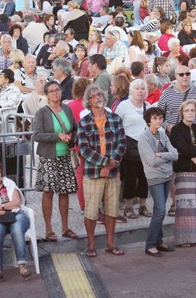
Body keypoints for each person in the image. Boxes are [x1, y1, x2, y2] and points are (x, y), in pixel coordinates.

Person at [77, 84, 127, 258]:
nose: (98, 97)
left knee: (112, 210)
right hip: (93, 173)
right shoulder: (84, 122)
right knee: (91, 211)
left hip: (113, 172)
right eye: (93, 96)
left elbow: (122, 143)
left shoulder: (115, 119)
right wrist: (105, 163)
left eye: (100, 94)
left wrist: (112, 164)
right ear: (88, 101)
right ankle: (91, 245)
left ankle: (110, 243)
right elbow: (84, 149)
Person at [32, 81, 79, 242]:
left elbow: (75, 128)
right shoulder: (42, 113)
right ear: (46, 95)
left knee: (64, 192)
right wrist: (57, 136)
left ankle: (65, 228)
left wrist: (73, 138)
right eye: (51, 91)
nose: (55, 93)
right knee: (48, 192)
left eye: (57, 90)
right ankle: (49, 229)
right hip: (49, 157)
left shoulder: (67, 109)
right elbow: (37, 135)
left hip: (65, 156)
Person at [169, 99, 196, 246]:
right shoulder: (176, 129)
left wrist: (193, 148)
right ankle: (186, 238)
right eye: (187, 110)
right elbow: (182, 148)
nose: (190, 113)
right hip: (183, 171)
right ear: (181, 113)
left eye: (193, 110)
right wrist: (195, 148)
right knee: (186, 206)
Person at [137, 107, 178, 257]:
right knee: (160, 209)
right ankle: (150, 244)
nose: (158, 121)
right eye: (155, 118)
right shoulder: (144, 138)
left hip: (167, 175)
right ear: (148, 120)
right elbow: (152, 161)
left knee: (159, 208)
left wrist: (162, 154)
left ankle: (158, 241)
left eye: (160, 118)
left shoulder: (163, 134)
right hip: (155, 177)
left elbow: (175, 154)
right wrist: (167, 157)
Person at [115, 79, 151, 219]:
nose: (140, 91)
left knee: (144, 178)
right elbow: (116, 125)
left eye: (143, 88)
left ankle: (143, 206)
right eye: (137, 88)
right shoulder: (123, 106)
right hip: (129, 147)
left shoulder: (148, 106)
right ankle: (128, 207)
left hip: (145, 147)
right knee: (130, 178)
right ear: (131, 90)